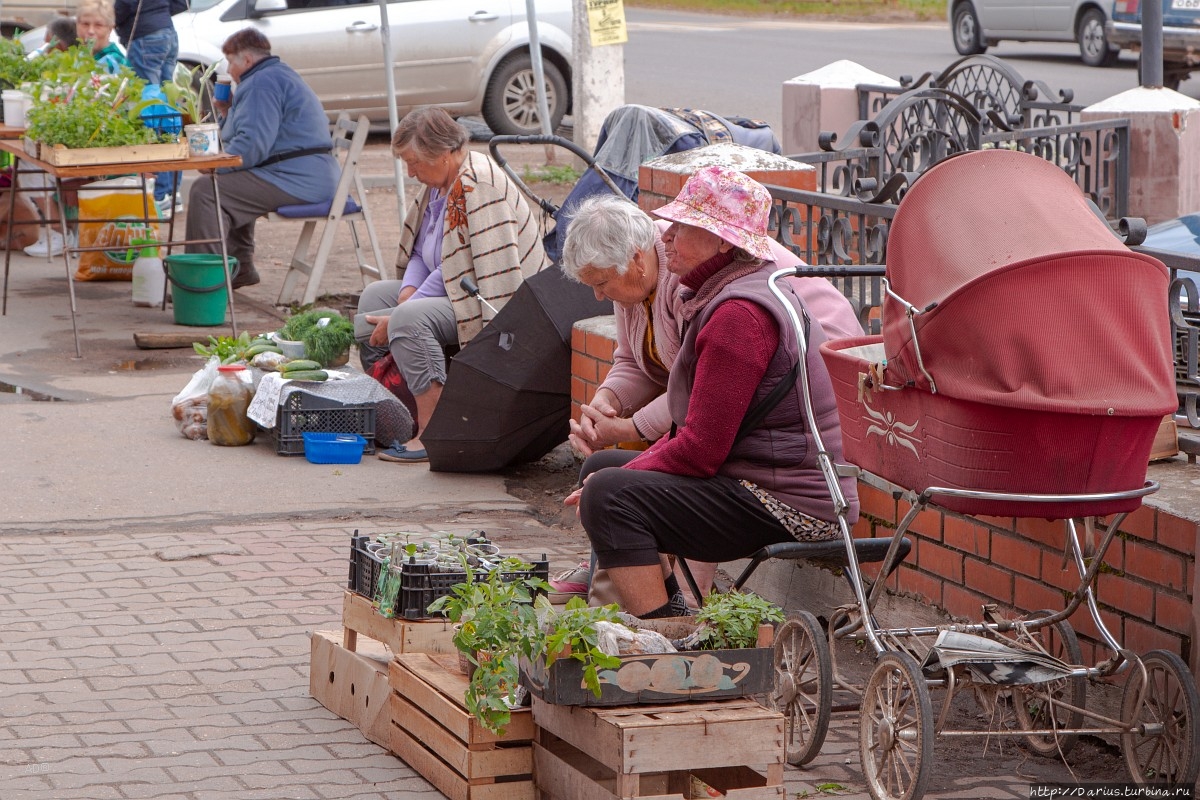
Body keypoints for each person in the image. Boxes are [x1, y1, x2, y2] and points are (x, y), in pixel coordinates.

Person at [564, 166, 860, 618]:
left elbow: (700, 452)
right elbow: (697, 427)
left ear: (724, 243)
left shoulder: (737, 316)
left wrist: (618, 470)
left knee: (608, 494)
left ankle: (664, 637)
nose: (666, 238)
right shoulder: (724, 290)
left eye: (683, 228)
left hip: (788, 501)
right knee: (605, 469)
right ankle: (672, 606)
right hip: (755, 474)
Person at [355, 107, 547, 464]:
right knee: (371, 300)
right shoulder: (440, 184)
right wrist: (406, 293)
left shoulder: (479, 184)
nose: (410, 173)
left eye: (414, 162)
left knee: (408, 321)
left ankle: (434, 432)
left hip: (497, 300)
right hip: (455, 288)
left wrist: (402, 311)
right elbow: (420, 253)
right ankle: (399, 416)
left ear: (443, 154)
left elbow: (465, 269)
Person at [184, 28, 339, 290]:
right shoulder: (274, 75)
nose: (229, 69)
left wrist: (215, 168)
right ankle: (240, 266)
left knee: (207, 191)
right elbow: (245, 138)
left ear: (246, 60)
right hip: (308, 173)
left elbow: (251, 148)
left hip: (298, 178)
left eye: (231, 61)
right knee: (230, 185)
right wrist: (227, 111)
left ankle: (204, 284)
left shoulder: (260, 83)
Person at [114, 0, 183, 214]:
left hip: (144, 36)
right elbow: (182, 2)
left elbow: (122, 8)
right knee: (167, 105)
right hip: (168, 33)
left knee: (150, 108)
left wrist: (112, 20)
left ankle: (160, 193)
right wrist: (159, 14)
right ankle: (172, 191)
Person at [76, 0, 129, 73]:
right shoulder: (76, 57)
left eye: (98, 25)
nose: (91, 31)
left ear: (110, 29)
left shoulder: (114, 62)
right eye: (85, 24)